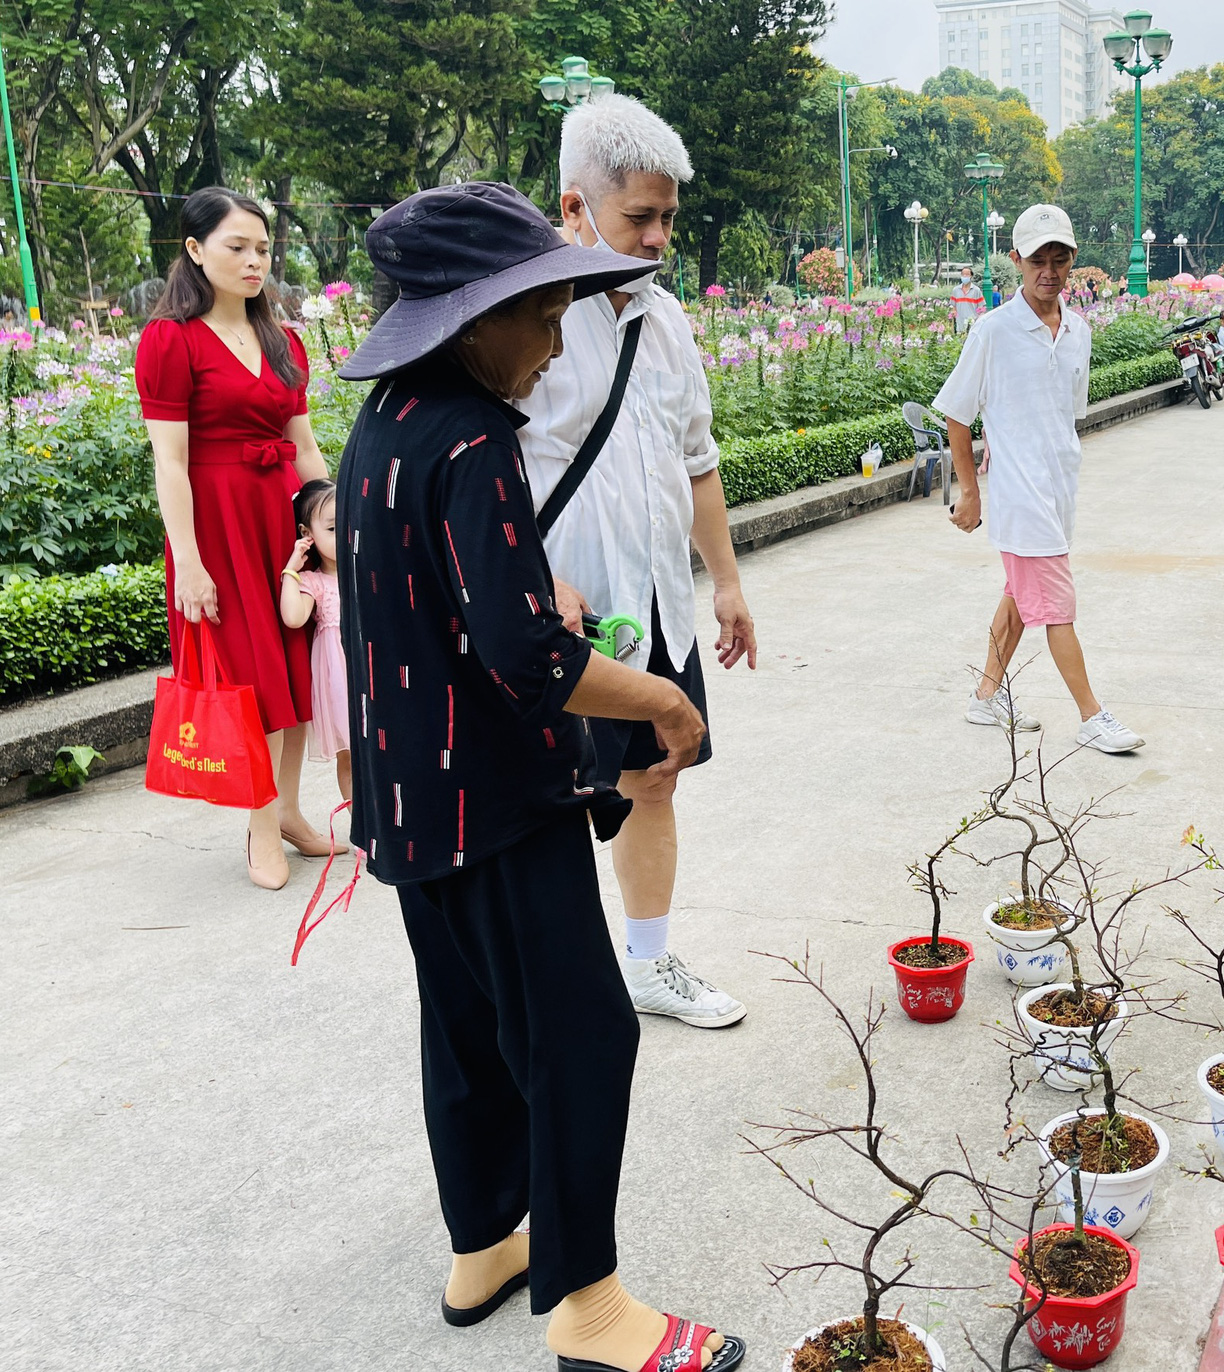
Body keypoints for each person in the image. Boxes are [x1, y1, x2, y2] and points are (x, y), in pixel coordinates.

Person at [333, 182, 739, 1372]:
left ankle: (483, 1245)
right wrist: (662, 697)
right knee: (578, 1034)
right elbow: (526, 654)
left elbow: (432, 608)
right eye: (542, 311)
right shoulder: (472, 437)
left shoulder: (386, 426)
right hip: (498, 802)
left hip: (413, 798)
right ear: (472, 321)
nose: (557, 336)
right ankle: (591, 1306)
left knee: (466, 1028)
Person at [522, 94, 750, 1030]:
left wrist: (726, 581)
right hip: (557, 618)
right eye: (637, 218)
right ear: (576, 209)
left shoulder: (667, 325)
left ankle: (647, 965)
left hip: (655, 605)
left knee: (654, 777)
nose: (658, 239)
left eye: (668, 219)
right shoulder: (525, 318)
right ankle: (551, 985)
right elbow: (477, 470)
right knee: (546, 803)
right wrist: (529, 582)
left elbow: (696, 461)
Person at [136, 186, 335, 890]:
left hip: (283, 518)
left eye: (262, 248)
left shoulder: (285, 341)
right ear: (194, 250)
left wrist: (340, 526)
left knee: (296, 660)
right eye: (237, 247)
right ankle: (259, 824)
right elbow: (171, 462)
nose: (255, 262)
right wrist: (188, 562)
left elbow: (304, 449)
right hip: (217, 526)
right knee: (248, 674)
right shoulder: (171, 340)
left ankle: (287, 811)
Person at [937, 204, 1144, 754]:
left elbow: (1064, 417)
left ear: (1073, 261)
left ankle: (986, 698)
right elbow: (958, 413)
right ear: (1017, 262)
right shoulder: (992, 331)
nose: (1048, 271)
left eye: (1059, 259)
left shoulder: (1078, 331)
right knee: (1055, 607)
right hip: (1018, 495)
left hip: (1058, 490)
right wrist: (972, 491)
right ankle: (1092, 715)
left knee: (1019, 598)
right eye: (1037, 260)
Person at [278, 479, 350, 802]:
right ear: (308, 535)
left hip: (375, 676)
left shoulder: (365, 570)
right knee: (351, 760)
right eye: (333, 529)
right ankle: (365, 834)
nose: (345, 533)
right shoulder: (315, 583)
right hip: (340, 685)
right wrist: (291, 570)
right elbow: (293, 617)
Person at [952, 265, 986, 332]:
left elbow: (981, 308)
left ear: (971, 276)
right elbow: (953, 307)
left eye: (967, 274)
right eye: (963, 274)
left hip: (973, 324)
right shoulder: (956, 290)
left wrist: (979, 319)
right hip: (960, 324)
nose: (965, 276)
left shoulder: (976, 290)